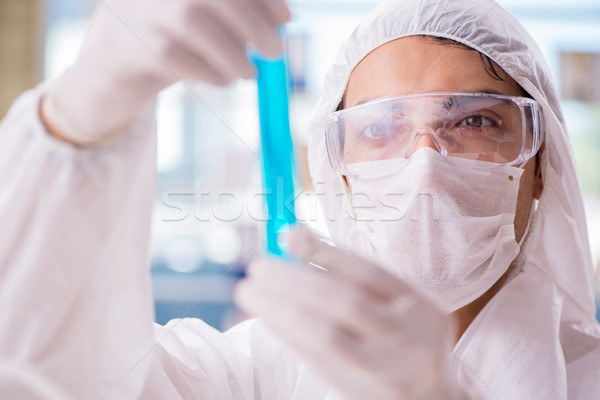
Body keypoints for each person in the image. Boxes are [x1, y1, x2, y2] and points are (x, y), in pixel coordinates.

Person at [0, 0, 599, 398]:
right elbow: (45, 368)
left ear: (542, 164)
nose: (424, 166)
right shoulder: (246, 375)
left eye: (475, 122)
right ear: (338, 173)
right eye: (378, 128)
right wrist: (77, 122)